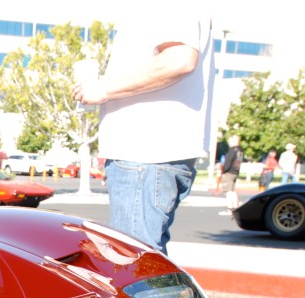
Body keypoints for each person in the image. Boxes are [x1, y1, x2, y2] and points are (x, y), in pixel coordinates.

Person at [71, 6, 213, 254]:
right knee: (147, 265)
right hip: (149, 156)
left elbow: (179, 59)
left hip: (145, 154)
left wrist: (104, 89)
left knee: (137, 265)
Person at [218, 134, 243, 215]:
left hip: (229, 172)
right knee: (233, 191)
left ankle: (230, 209)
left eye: (230, 140)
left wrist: (223, 170)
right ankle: (235, 206)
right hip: (236, 171)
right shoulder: (240, 151)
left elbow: (227, 162)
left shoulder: (232, 151)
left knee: (228, 191)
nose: (229, 142)